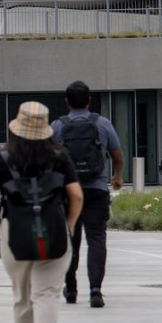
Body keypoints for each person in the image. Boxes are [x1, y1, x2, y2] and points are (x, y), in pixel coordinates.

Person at [0, 101, 84, 323]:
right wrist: (70, 225)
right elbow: (76, 195)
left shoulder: (4, 158)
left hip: (14, 232)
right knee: (46, 294)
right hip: (54, 230)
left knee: (22, 296)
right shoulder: (60, 156)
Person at [52, 81, 124, 308]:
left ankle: (71, 288)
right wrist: (117, 176)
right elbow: (117, 155)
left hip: (68, 192)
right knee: (97, 238)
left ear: (67, 102)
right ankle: (95, 289)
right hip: (96, 189)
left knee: (69, 240)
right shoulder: (102, 123)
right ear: (89, 100)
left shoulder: (58, 126)